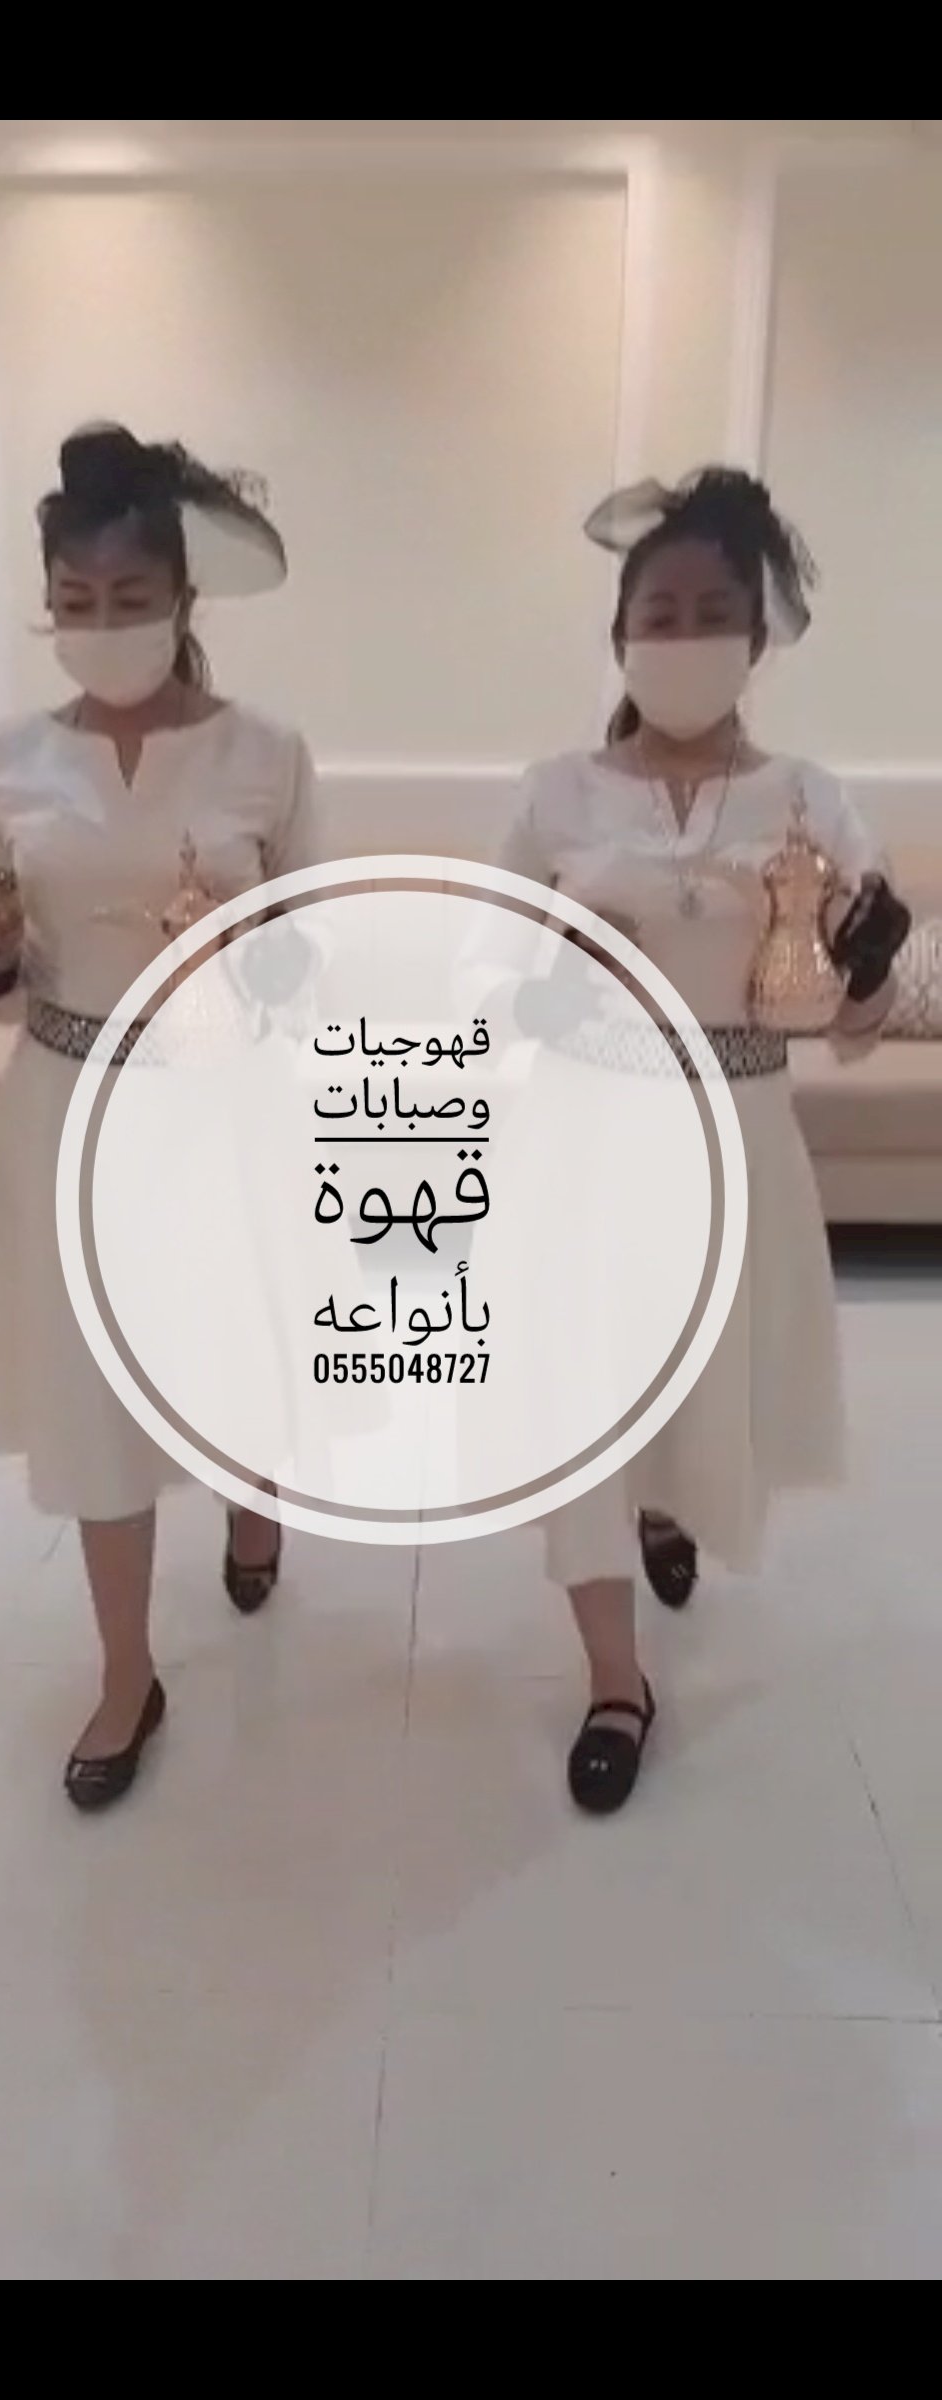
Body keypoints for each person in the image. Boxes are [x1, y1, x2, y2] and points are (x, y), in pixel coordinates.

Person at [501, 467, 910, 1816]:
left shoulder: (809, 799)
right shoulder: (557, 794)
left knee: (693, 1388)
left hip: (739, 1135)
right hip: (585, 1140)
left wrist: (869, 965)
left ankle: (670, 1505)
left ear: (757, 633)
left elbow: (852, 1028)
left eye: (711, 613)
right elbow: (488, 988)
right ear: (620, 633)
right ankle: (617, 1681)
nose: (683, 637)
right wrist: (551, 975)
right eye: (658, 614)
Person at [0, 423, 318, 1811]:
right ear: (51, 604)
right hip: (66, 1101)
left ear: (181, 599)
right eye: (77, 601)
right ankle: (124, 1672)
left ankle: (255, 1502)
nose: (104, 625)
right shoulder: (6, 762)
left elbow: (311, 952)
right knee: (94, 1392)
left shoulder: (264, 754)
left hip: (223, 1103)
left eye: (131, 598)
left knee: (235, 1346)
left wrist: (255, 953)